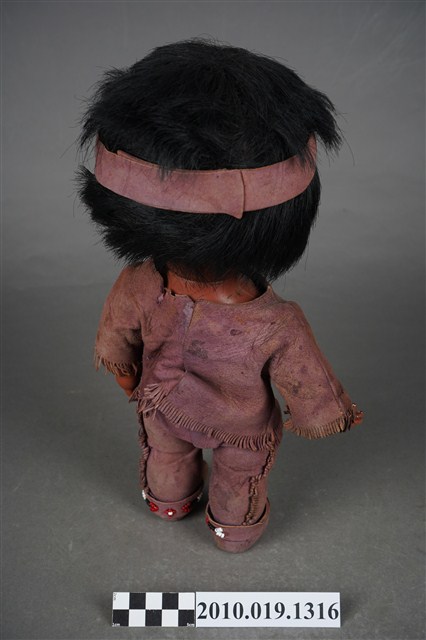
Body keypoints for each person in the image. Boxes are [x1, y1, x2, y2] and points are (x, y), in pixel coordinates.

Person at [78, 39, 363, 553]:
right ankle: (233, 531)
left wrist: (133, 384)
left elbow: (117, 344)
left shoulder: (138, 283)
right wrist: (323, 414)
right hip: (241, 428)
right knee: (240, 479)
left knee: (166, 457)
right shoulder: (277, 321)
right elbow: (310, 388)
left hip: (162, 404)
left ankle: (169, 500)